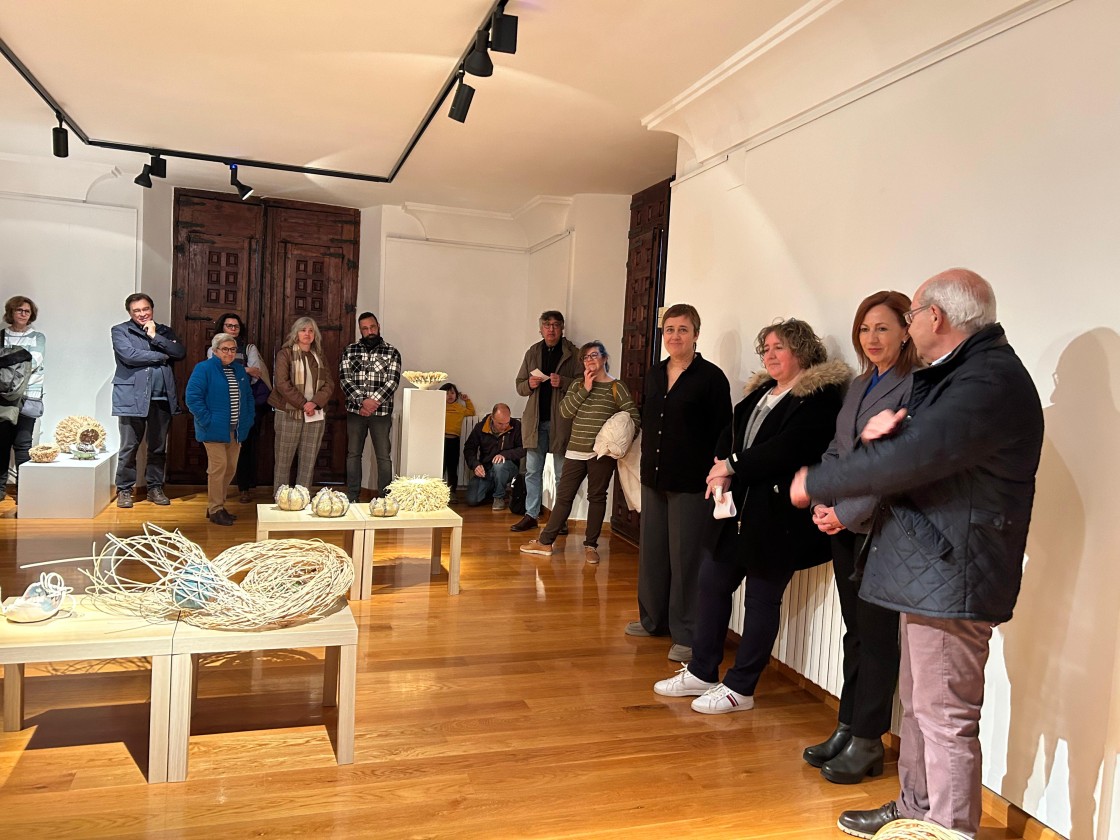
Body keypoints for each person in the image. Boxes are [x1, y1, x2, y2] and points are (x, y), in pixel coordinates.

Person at [789, 270, 1044, 839]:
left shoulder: (987, 380)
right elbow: (915, 454)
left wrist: (821, 480)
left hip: (953, 571)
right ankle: (914, 807)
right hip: (934, 568)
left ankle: (948, 830)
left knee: (946, 716)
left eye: (910, 314)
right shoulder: (962, 375)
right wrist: (881, 442)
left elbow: (915, 460)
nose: (905, 325)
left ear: (937, 316)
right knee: (921, 705)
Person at [652, 319, 846, 715]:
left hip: (779, 518)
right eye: (766, 349)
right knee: (711, 583)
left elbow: (788, 449)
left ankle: (741, 687)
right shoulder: (761, 392)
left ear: (802, 351)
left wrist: (732, 465)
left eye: (779, 348)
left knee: (760, 600)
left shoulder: (818, 398)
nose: (770, 356)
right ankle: (704, 670)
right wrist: (722, 463)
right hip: (739, 512)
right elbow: (730, 431)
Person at [802, 291, 918, 785]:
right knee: (854, 631)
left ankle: (869, 740)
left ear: (907, 331)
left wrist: (845, 513)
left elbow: (893, 469)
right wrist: (824, 499)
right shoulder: (858, 384)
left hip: (880, 530)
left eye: (884, 328)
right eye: (865, 329)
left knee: (875, 638)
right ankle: (847, 725)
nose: (872, 338)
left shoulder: (913, 386)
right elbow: (837, 449)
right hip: (843, 525)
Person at [625, 304, 731, 663]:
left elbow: (723, 432)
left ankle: (686, 633)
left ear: (696, 334)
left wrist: (720, 473)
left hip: (690, 482)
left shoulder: (711, 378)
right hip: (654, 476)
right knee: (653, 552)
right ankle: (652, 620)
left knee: (686, 559)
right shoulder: (655, 374)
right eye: (669, 330)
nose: (674, 336)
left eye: (683, 330)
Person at [520, 340, 640, 565]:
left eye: (594, 355)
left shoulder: (617, 387)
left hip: (601, 455)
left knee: (597, 497)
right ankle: (546, 542)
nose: (590, 360)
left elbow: (633, 417)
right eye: (586, 357)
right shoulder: (577, 384)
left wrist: (619, 445)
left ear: (604, 358)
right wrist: (585, 388)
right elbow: (565, 411)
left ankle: (590, 546)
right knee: (564, 497)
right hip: (575, 450)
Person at [111, 293, 186, 508]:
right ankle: (124, 490)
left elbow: (179, 352)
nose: (142, 314)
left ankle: (155, 488)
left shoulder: (164, 331)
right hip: (130, 398)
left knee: (158, 448)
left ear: (152, 309)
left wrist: (155, 337)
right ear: (130, 313)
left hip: (162, 397)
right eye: (137, 311)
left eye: (146, 309)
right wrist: (162, 356)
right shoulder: (120, 331)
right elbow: (129, 356)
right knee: (129, 447)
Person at [510, 310, 582, 533]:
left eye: (556, 325)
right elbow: (519, 385)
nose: (551, 329)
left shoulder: (573, 353)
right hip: (535, 421)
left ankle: (560, 519)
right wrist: (529, 384)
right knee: (532, 471)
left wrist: (564, 381)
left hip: (561, 421)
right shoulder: (533, 351)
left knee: (562, 474)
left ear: (562, 329)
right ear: (540, 328)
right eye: (547, 325)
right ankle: (531, 515)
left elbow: (584, 385)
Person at [186, 333, 255, 526]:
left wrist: (248, 420)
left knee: (230, 468)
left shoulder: (239, 371)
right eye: (225, 349)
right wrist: (207, 420)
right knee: (219, 468)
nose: (229, 353)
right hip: (213, 430)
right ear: (215, 351)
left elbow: (248, 398)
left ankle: (217, 506)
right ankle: (216, 509)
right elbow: (192, 398)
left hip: (236, 430)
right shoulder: (204, 369)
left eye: (232, 349)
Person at [207, 313, 269, 503]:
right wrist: (244, 369)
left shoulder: (249, 348)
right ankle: (216, 503)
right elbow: (216, 371)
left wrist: (238, 369)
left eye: (236, 326)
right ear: (221, 328)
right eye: (228, 326)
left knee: (245, 451)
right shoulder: (211, 351)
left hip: (244, 409)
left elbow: (255, 373)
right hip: (218, 412)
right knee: (219, 461)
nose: (233, 329)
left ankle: (244, 488)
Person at [340, 312, 401, 501]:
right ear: (360, 330)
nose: (370, 331)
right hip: (356, 411)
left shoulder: (392, 352)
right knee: (353, 455)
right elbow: (344, 379)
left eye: (372, 327)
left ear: (378, 326)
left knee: (383, 456)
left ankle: (384, 498)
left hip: (381, 413)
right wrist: (362, 402)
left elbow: (392, 382)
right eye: (365, 328)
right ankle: (352, 496)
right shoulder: (349, 351)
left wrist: (372, 403)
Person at [268, 317, 334, 491]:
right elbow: (282, 384)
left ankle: (302, 500)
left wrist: (315, 403)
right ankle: (280, 498)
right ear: (296, 333)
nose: (307, 334)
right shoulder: (285, 354)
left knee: (308, 461)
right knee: (283, 461)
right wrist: (304, 404)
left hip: (315, 415)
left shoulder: (319, 356)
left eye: (311, 330)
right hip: (289, 413)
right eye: (303, 330)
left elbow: (329, 384)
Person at [0, 296, 46, 499]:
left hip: (30, 396)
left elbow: (33, 362)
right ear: (11, 312)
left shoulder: (38, 337)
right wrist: (20, 357)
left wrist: (7, 360)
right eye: (19, 310)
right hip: (3, 398)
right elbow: (24, 360)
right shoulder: (1, 335)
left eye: (27, 311)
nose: (23, 314)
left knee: (23, 444)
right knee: (1, 444)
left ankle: (24, 491)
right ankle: (0, 489)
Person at [463, 403, 524, 509]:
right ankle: (493, 488)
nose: (504, 426)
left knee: (499, 465)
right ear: (492, 418)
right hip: (486, 470)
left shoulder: (516, 426)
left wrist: (505, 455)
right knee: (472, 500)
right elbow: (469, 448)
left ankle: (498, 497)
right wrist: (475, 464)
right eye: (500, 423)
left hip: (509, 468)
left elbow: (524, 448)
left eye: (507, 423)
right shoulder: (480, 427)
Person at [440, 382, 475, 501]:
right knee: (441, 466)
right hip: (441, 441)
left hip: (454, 441)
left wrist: (466, 400)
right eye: (446, 393)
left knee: (452, 467)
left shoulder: (459, 408)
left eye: (452, 393)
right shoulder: (439, 406)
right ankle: (438, 491)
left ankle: (452, 492)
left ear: (456, 395)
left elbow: (471, 411)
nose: (450, 395)